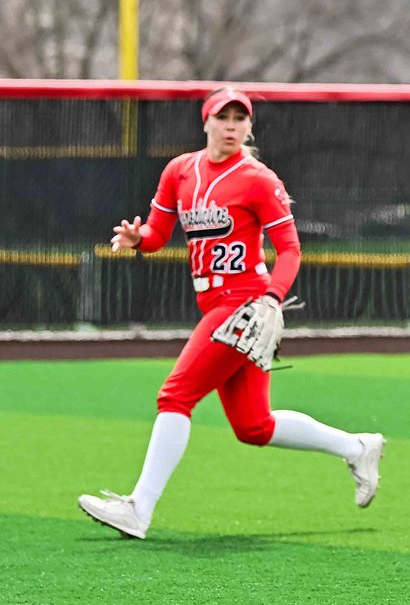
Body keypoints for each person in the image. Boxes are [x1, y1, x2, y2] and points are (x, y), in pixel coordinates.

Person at [78, 87, 385, 540]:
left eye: (241, 119)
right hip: (215, 303)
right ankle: (358, 447)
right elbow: (160, 232)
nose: (232, 126)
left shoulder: (259, 179)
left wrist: (272, 298)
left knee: (175, 396)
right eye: (224, 117)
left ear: (249, 127)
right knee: (253, 426)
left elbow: (290, 251)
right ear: (206, 122)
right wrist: (138, 239)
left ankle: (138, 509)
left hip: (244, 302)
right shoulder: (179, 170)